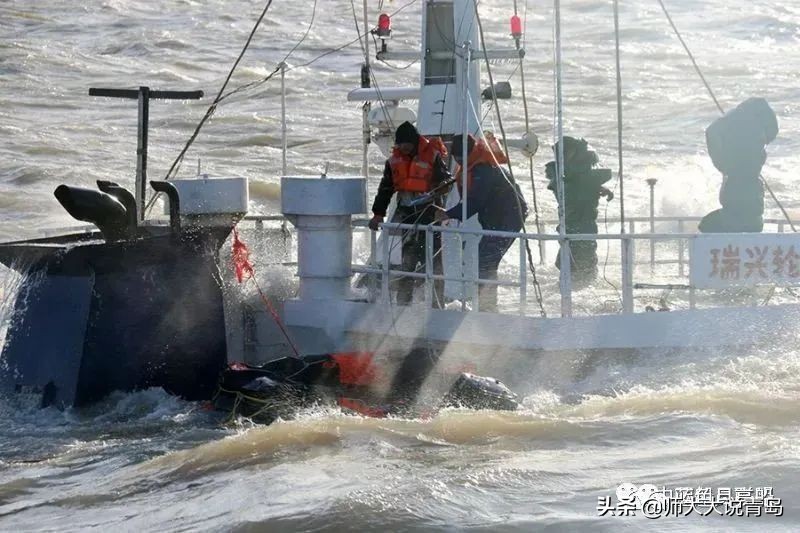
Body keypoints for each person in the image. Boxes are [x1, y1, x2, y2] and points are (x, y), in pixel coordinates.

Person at [436, 133, 528, 312]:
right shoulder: (475, 166)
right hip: (495, 218)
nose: (459, 161)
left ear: (471, 152)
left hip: (508, 218)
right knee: (485, 258)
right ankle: (487, 303)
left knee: (486, 258)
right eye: (456, 157)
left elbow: (475, 201)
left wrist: (448, 214)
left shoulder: (483, 170)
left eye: (462, 157)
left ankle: (487, 306)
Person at [368, 121, 451, 306]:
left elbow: (446, 179)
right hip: (407, 216)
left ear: (414, 142)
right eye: (400, 144)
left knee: (434, 262)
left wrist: (441, 187)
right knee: (407, 262)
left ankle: (437, 304)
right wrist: (378, 214)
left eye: (406, 143)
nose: (403, 147)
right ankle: (403, 303)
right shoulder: (393, 162)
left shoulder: (433, 156)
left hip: (429, 215)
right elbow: (385, 190)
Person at [545, 136, 613, 287]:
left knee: (581, 261)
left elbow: (580, 185)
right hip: (575, 225)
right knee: (577, 262)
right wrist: (597, 186)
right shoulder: (564, 175)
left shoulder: (570, 175)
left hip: (581, 225)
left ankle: (577, 289)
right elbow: (575, 188)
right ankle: (573, 290)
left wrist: (598, 188)